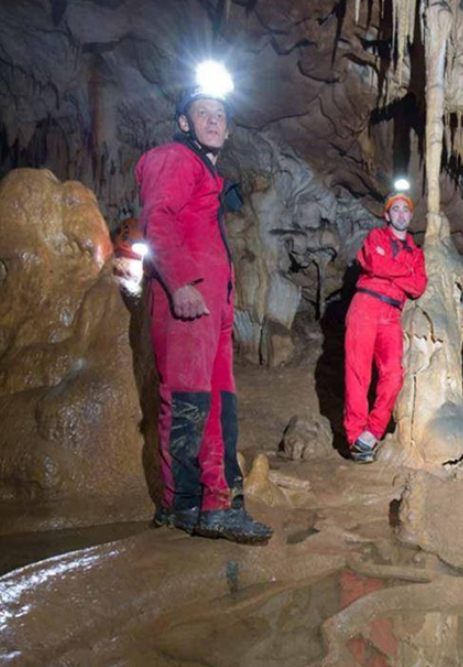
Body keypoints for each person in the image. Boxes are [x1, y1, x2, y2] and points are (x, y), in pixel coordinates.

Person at [137, 62, 272, 543]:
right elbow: (159, 219)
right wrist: (180, 283)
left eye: (220, 114)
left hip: (212, 309)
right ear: (185, 122)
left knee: (220, 406)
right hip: (186, 301)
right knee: (190, 400)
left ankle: (218, 503)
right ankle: (183, 504)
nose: (213, 120)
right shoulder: (173, 158)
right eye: (203, 112)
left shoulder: (208, 177)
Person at [344, 190, 428, 463]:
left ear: (410, 216)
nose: (401, 214)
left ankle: (373, 431)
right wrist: (403, 273)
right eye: (396, 210)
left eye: (406, 210)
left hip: (392, 314)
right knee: (358, 373)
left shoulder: (416, 252)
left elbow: (418, 286)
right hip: (365, 307)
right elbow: (374, 262)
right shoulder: (376, 238)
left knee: (393, 374)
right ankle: (355, 437)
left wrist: (387, 269)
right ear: (387, 214)